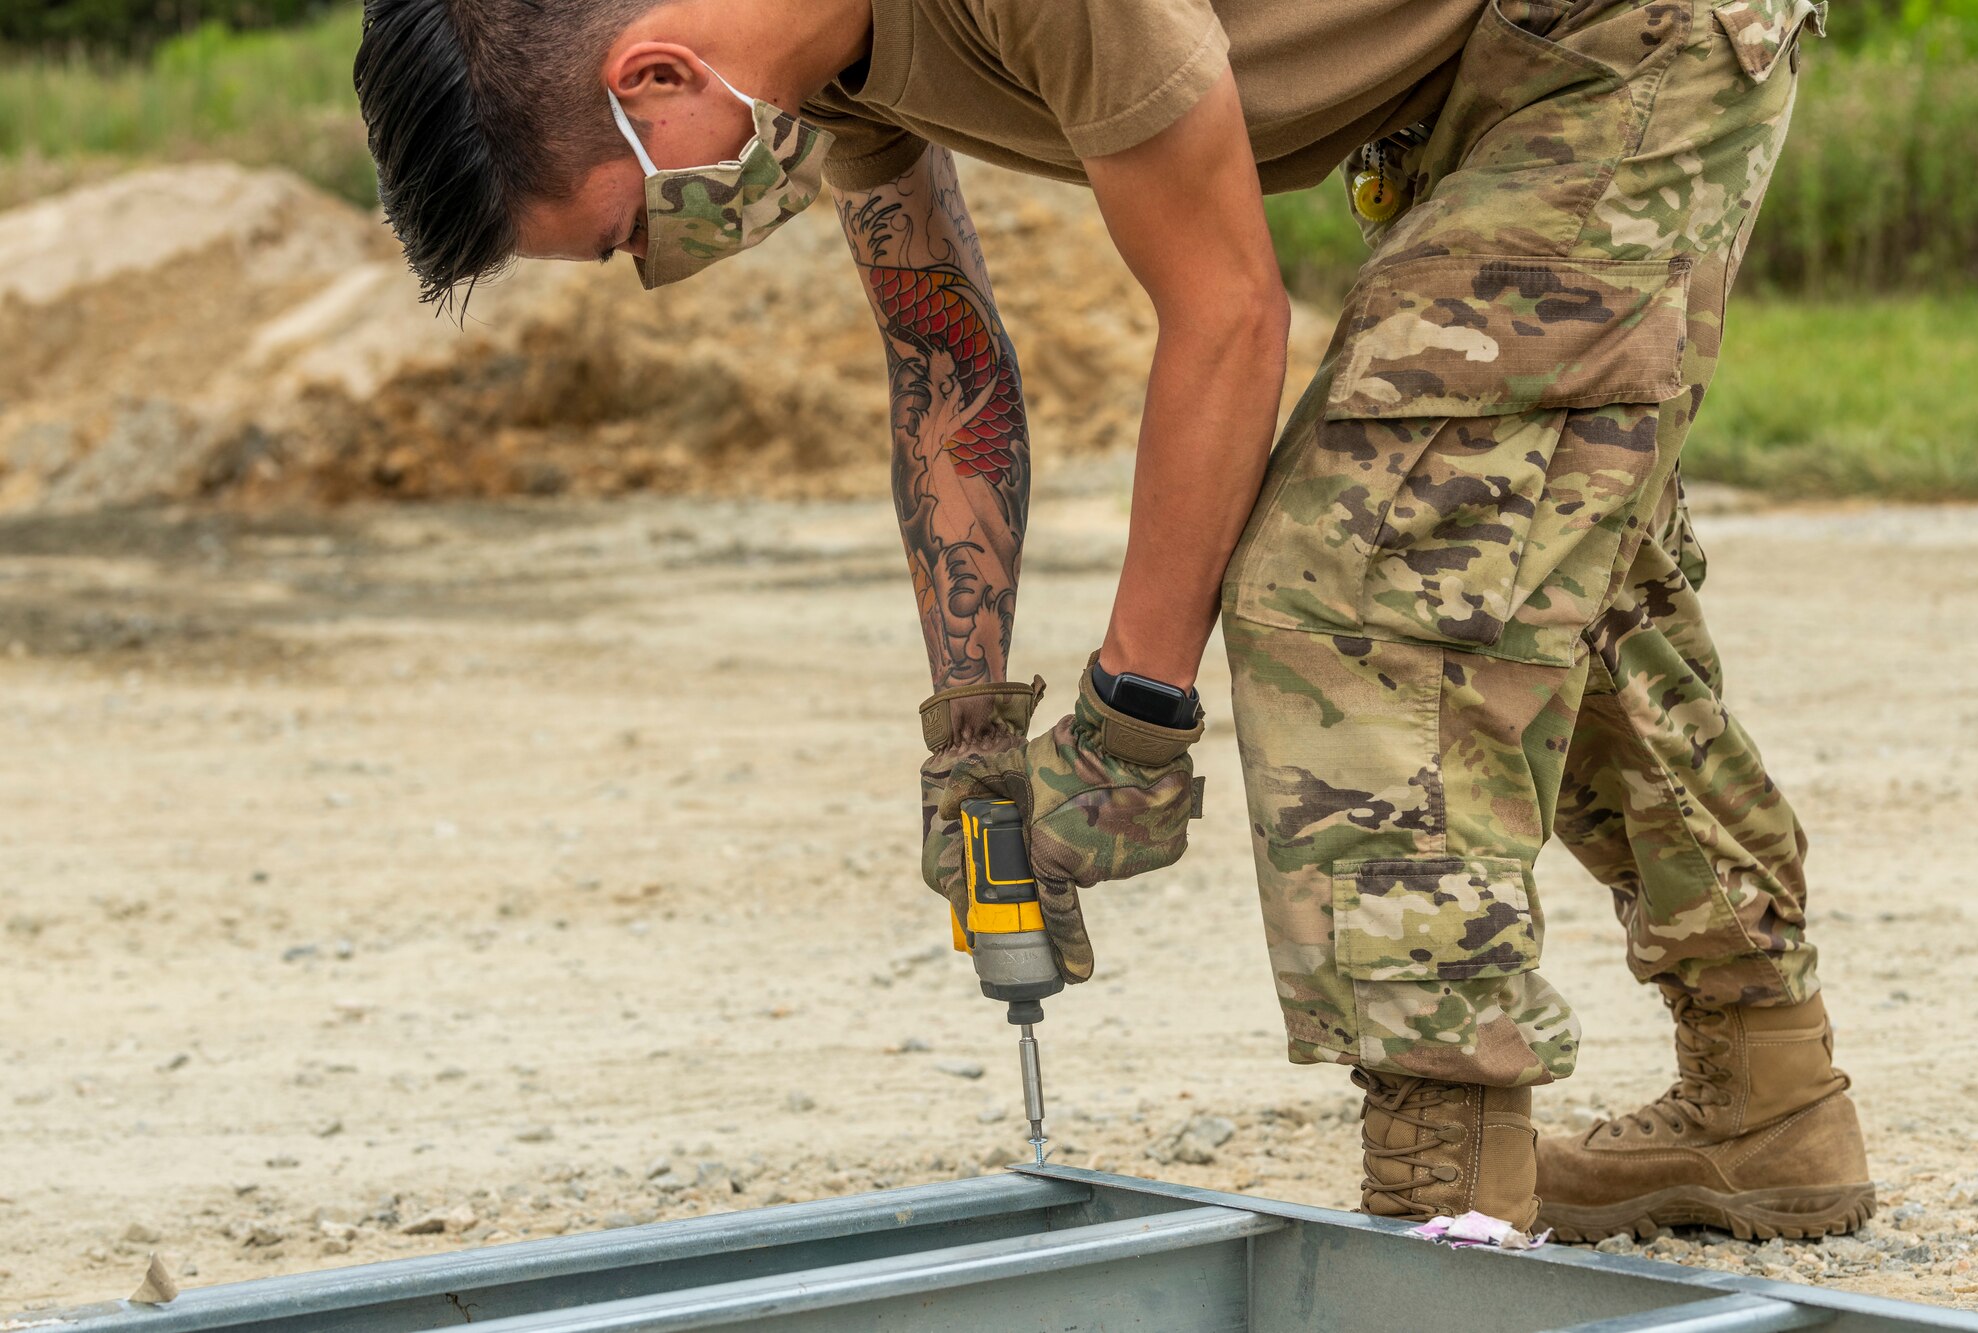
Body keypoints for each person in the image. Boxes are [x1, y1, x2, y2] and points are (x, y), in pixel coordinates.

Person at [353, 0, 1871, 1238]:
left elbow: (1228, 317)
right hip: (1480, 74)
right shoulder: (824, 61)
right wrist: (975, 748)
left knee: (1365, 565)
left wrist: (1133, 722)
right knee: (1525, 542)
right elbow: (945, 368)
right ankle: (1766, 1094)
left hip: (1626, 33)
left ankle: (1445, 1212)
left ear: (659, 76)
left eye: (632, 229)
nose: (662, 265)